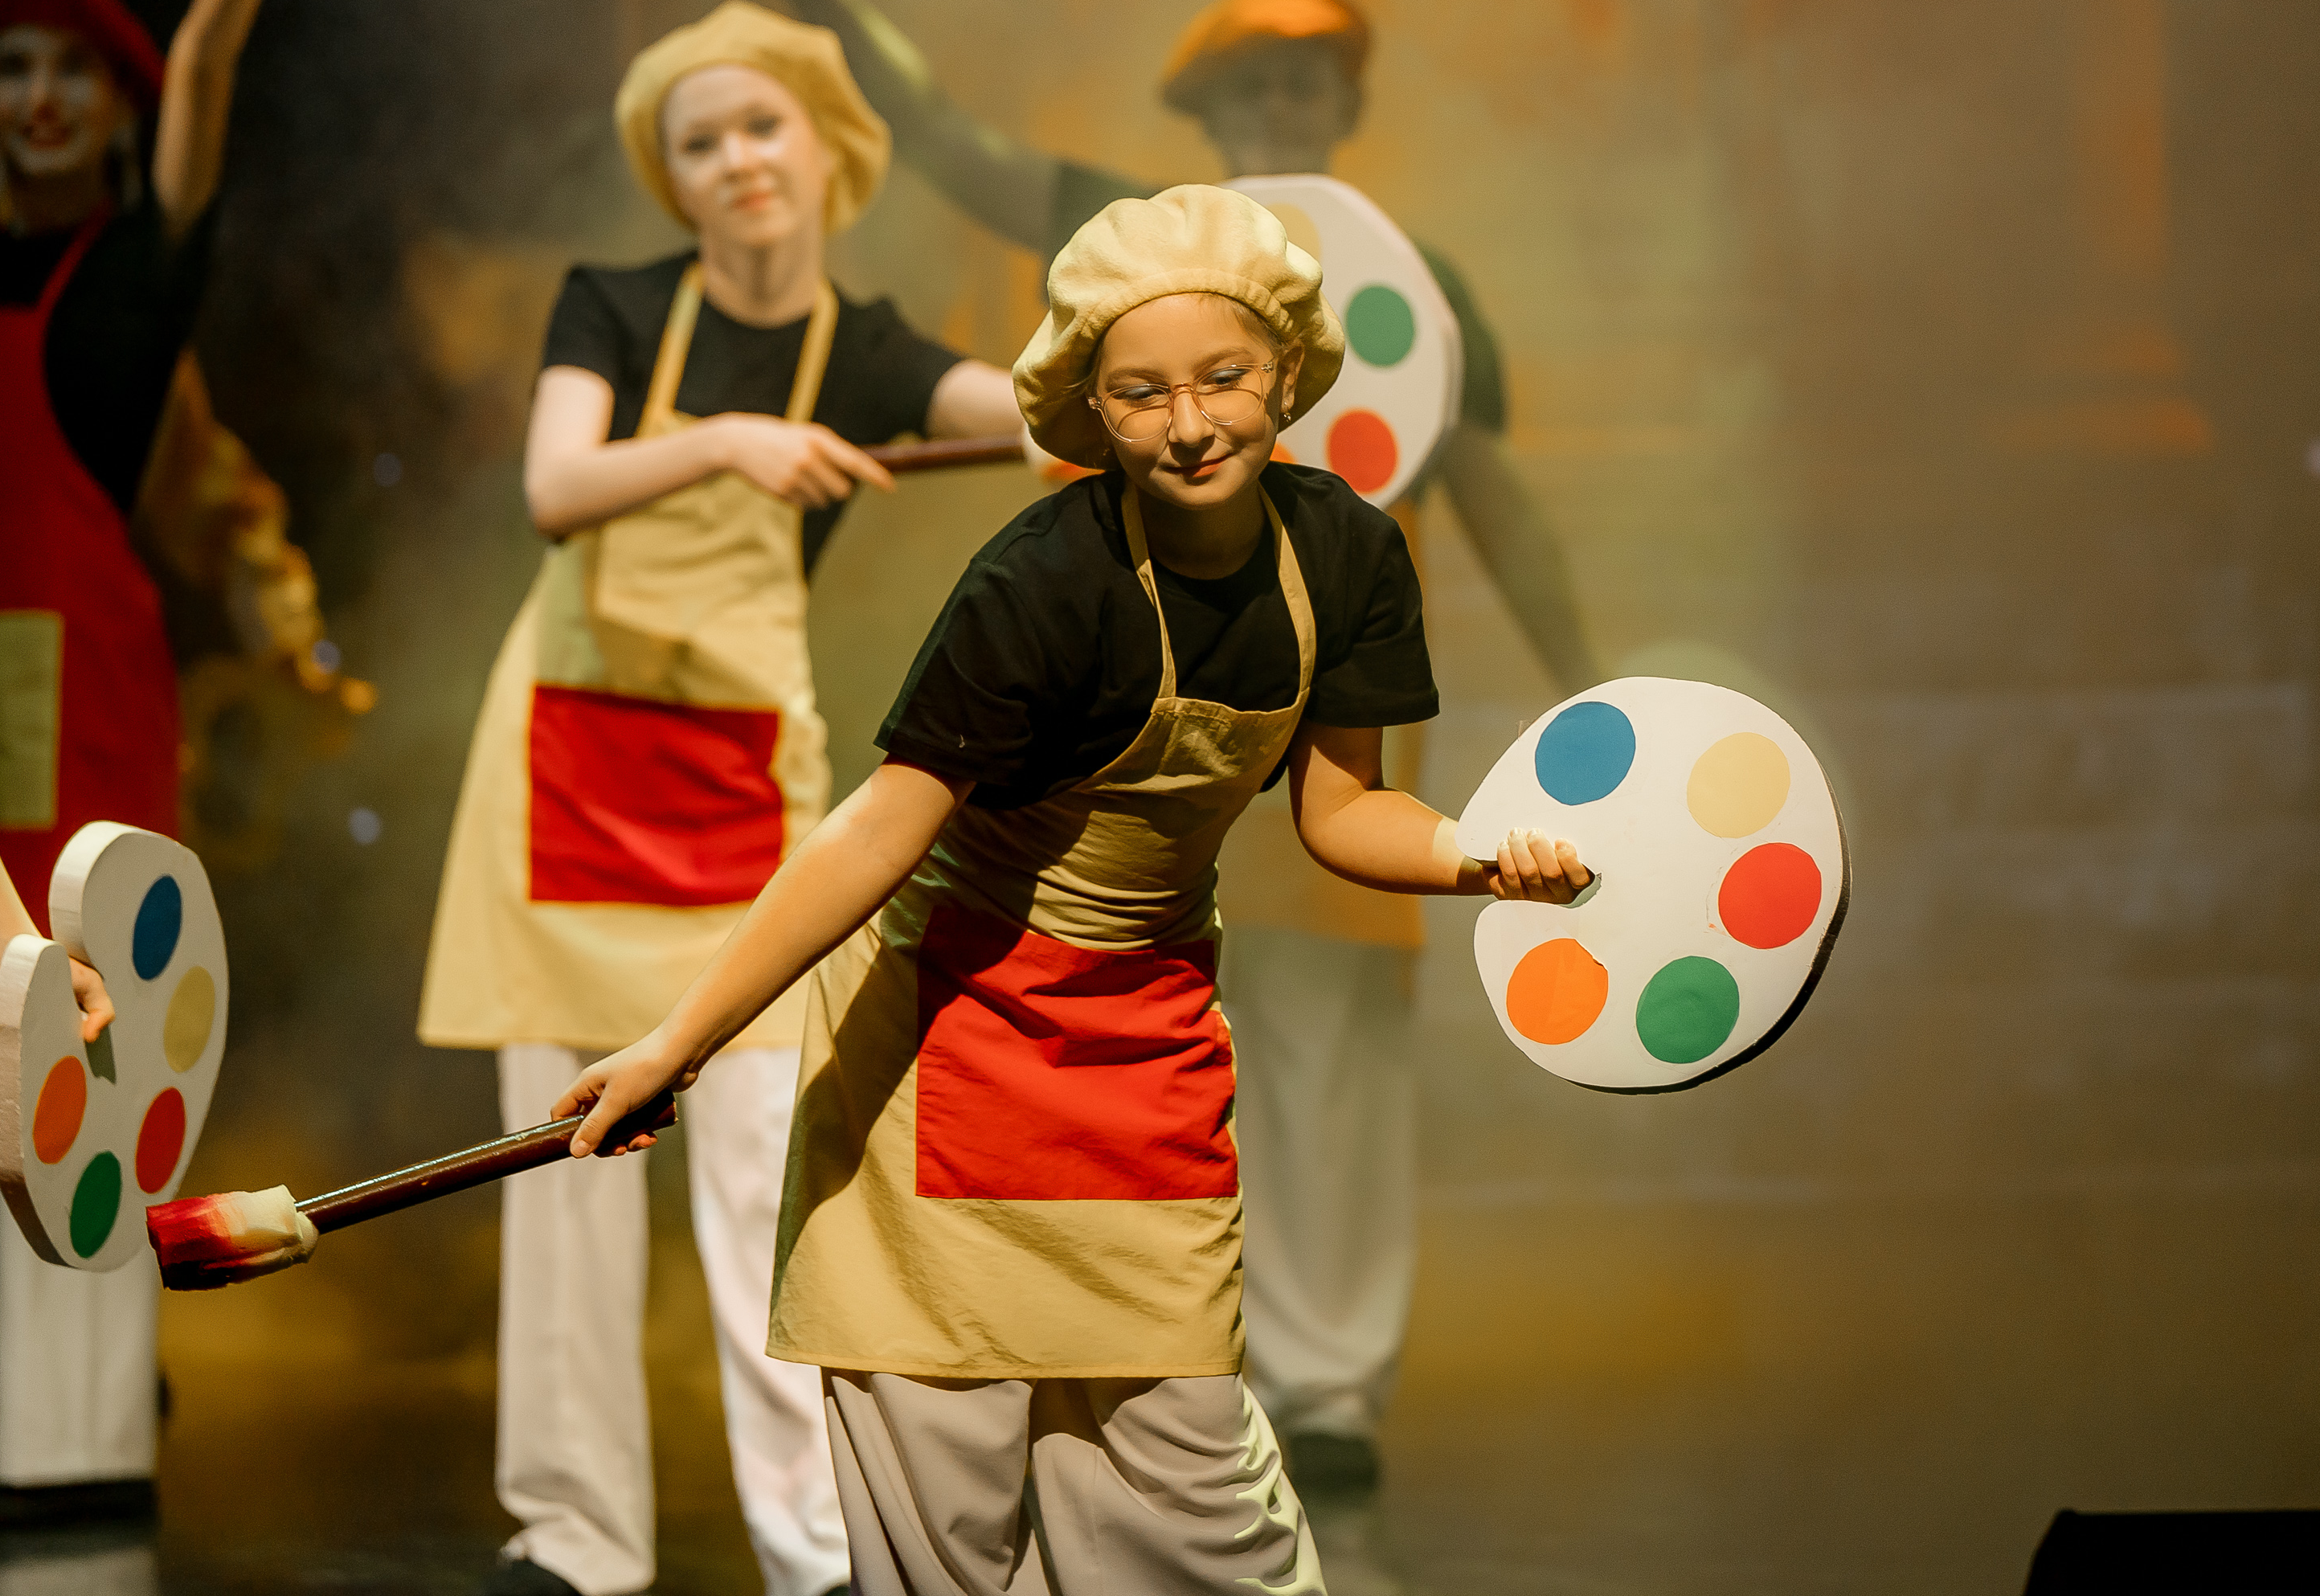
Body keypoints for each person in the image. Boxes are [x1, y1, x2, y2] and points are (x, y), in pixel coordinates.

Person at [653, 0, 1601, 1486]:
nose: (1278, 112)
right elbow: (943, 135)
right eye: (1249, 90)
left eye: (1304, 87)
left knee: (1332, 1049)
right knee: (1134, 1045)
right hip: (1107, 751)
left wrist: (1588, 697)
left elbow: (1496, 502)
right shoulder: (1113, 261)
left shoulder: (1416, 295)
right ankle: (1131, 1358)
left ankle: (1328, 1390)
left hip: (1311, 702)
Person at [551, 183, 1590, 1595]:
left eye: (1224, 378)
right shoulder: (1041, 581)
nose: (1190, 423)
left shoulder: (1348, 552)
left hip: (1148, 1041)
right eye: (1142, 393)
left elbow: (1346, 810)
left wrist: (1484, 858)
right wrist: (679, 1042)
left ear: (1286, 372)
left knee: (1200, 1512)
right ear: (1094, 412)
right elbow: (875, 833)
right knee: (948, 1524)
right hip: (950, 1037)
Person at [414, 0, 1020, 1596]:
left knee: (767, 1179)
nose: (737, 159)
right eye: (701, 142)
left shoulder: (871, 351)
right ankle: (574, 1539)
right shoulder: (612, 308)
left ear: (828, 147)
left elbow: (1037, 417)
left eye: (763, 125)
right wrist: (731, 442)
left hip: (739, 796)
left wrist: (1171, 382)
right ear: (671, 178)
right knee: (561, 1173)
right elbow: (557, 486)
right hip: (567, 775)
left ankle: (815, 1549)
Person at [0, 0, 288, 1537]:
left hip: (85, 729)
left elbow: (210, 61)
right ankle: (75, 1393)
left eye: (72, 70)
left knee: (76, 1074)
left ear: (116, 107)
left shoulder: (135, 275)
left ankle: (79, 1463)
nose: (40, 97)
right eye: (12, 68)